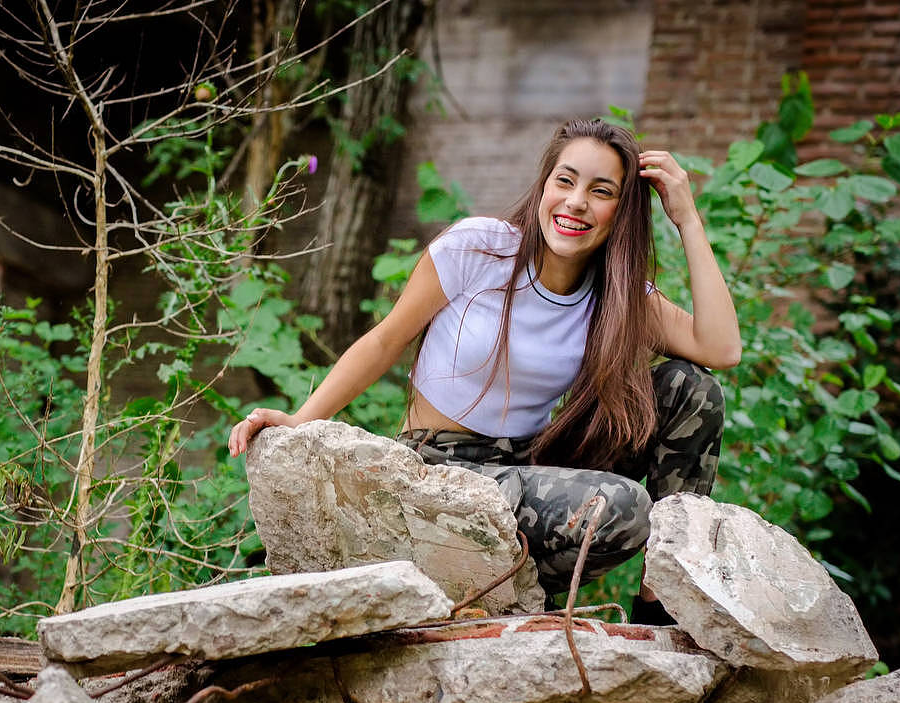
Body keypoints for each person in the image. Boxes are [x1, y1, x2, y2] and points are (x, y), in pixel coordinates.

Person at [228, 118, 740, 621]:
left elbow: (720, 349)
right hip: (441, 468)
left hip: (531, 462)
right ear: (543, 186)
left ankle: (660, 603)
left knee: (691, 389)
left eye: (601, 191)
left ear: (620, 212)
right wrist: (301, 420)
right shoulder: (480, 248)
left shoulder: (618, 297)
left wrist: (687, 220)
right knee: (625, 508)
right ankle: (503, 587)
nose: (577, 202)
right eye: (565, 181)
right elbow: (385, 340)